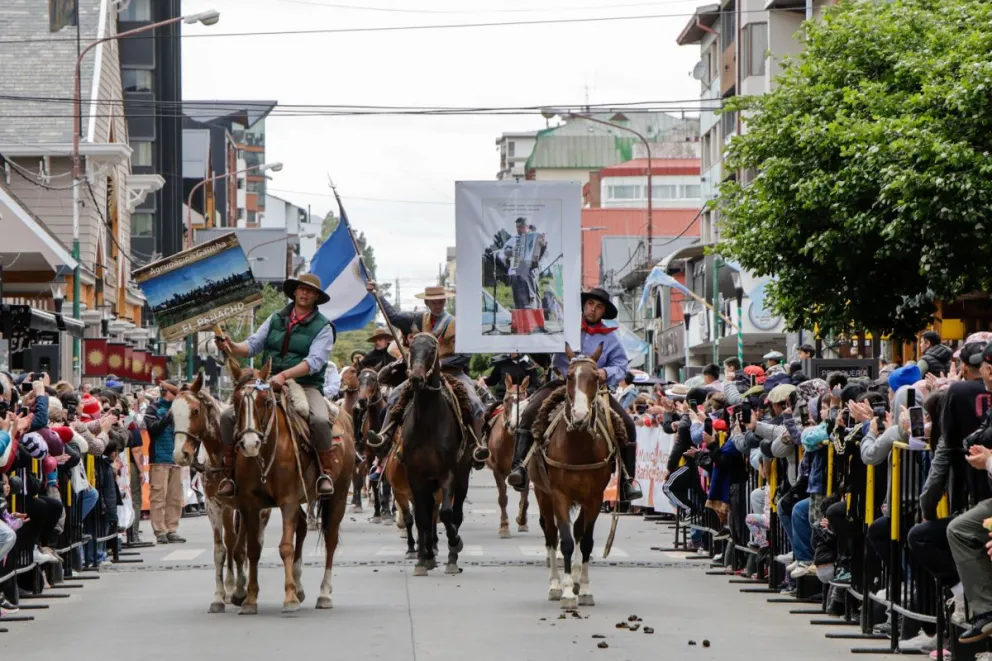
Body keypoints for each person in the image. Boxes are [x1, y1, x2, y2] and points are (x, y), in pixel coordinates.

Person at [506, 287, 642, 502]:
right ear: (584, 305)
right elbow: (541, 347)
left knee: (628, 424)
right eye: (590, 304)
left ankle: (627, 480)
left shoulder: (611, 338)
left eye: (599, 307)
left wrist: (604, 372)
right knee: (530, 411)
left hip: (594, 389)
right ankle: (519, 468)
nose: (593, 310)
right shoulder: (563, 329)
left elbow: (621, 365)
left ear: (603, 312)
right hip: (561, 383)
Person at [215, 273, 338, 499]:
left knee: (320, 419)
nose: (304, 293)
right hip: (266, 382)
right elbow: (252, 346)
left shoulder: (324, 327)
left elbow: (314, 362)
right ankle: (228, 473)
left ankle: (324, 473)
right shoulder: (275, 318)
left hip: (305, 384)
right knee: (227, 416)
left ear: (316, 298)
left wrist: (284, 375)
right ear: (295, 291)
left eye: (310, 291)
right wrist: (230, 345)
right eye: (301, 288)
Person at [365, 282, 486, 448]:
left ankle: (477, 446)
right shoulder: (417, 319)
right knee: (394, 396)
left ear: (445, 302)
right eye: (434, 302)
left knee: (475, 403)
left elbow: (465, 357)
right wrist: (378, 295)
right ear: (427, 303)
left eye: (441, 301)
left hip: (454, 373)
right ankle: (385, 436)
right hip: (421, 373)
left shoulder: (457, 323)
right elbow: (393, 317)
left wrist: (438, 363)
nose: (438, 305)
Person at [144, 382, 184, 544]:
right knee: (159, 496)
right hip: (159, 458)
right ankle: (160, 530)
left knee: (174, 497)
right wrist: (168, 416)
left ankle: (172, 528)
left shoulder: (181, 408)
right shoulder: (153, 408)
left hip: (175, 457)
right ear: (167, 392)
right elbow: (153, 429)